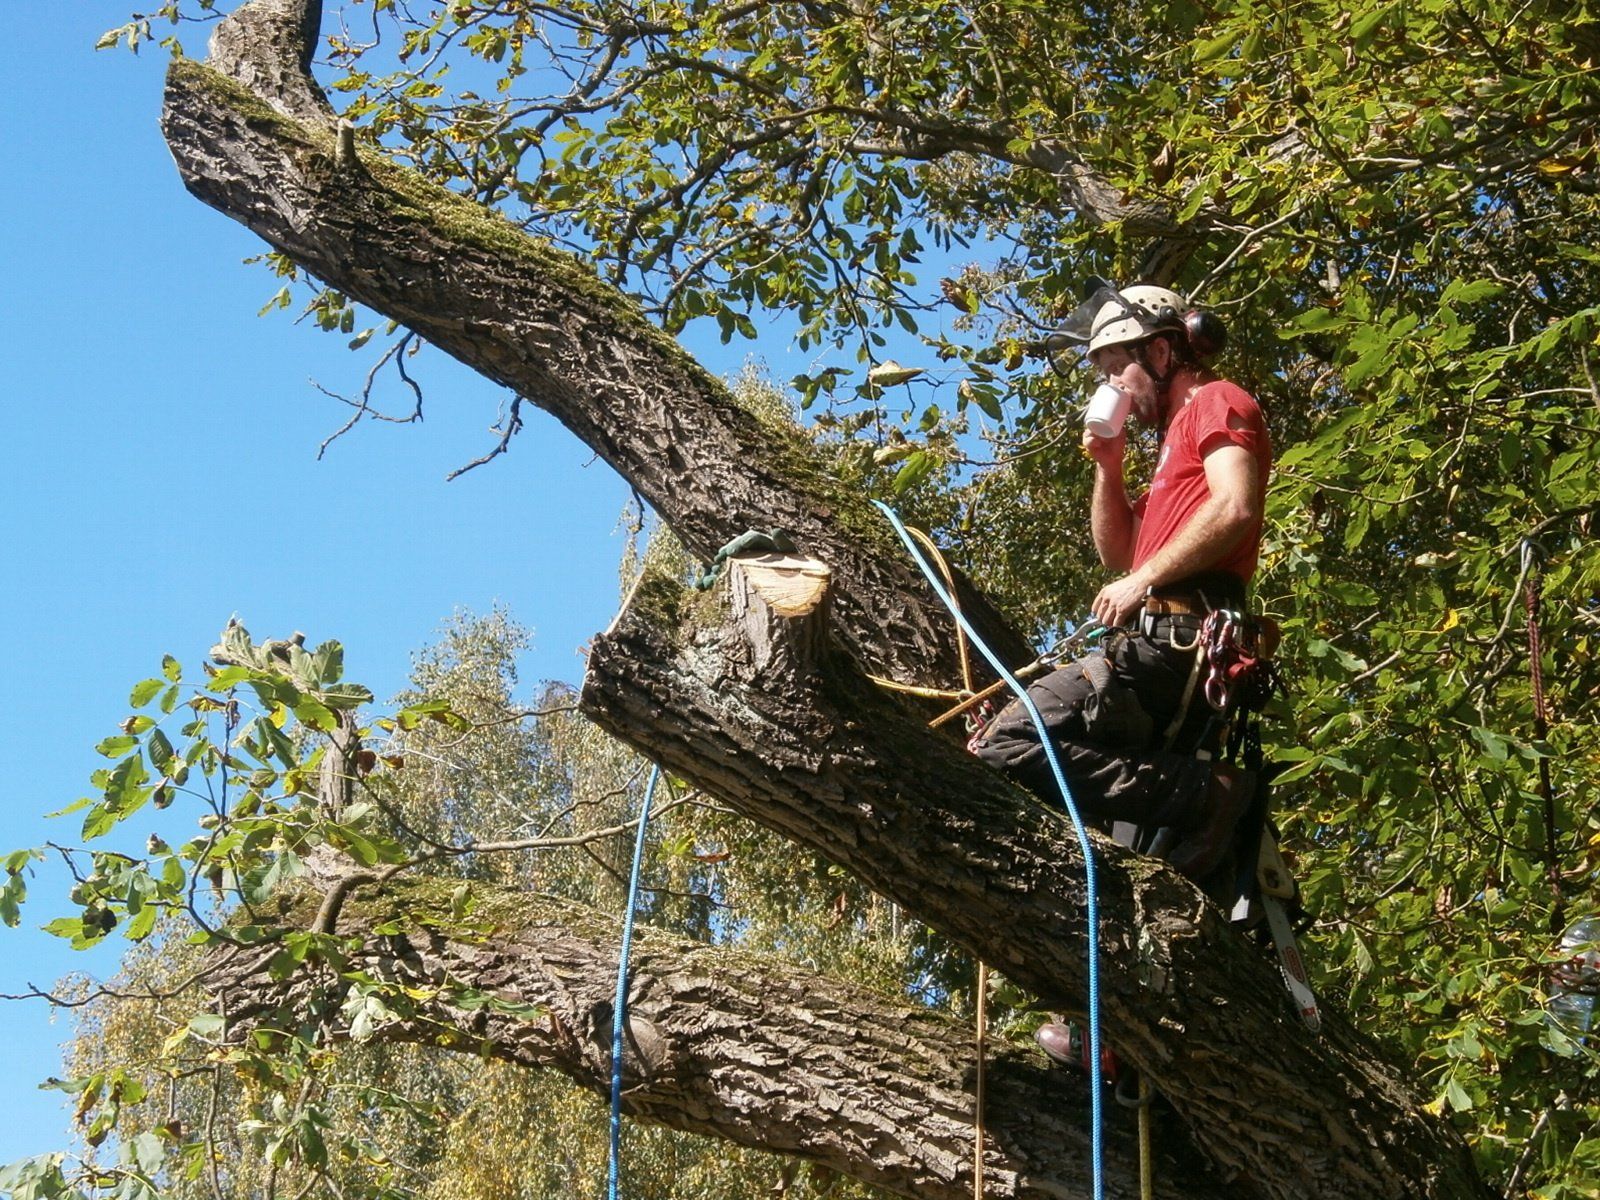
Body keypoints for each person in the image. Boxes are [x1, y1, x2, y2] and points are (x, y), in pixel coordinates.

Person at [971, 281, 1272, 1065]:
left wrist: (1144, 583)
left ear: (1163, 351)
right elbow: (1119, 556)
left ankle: (1204, 796)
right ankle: (1114, 1019)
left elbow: (1235, 507)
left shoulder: (1216, 403)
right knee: (1107, 848)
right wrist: (1107, 465)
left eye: (1117, 369)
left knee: (1010, 741)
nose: (1112, 388)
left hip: (1176, 643)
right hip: (1154, 645)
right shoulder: (1168, 440)